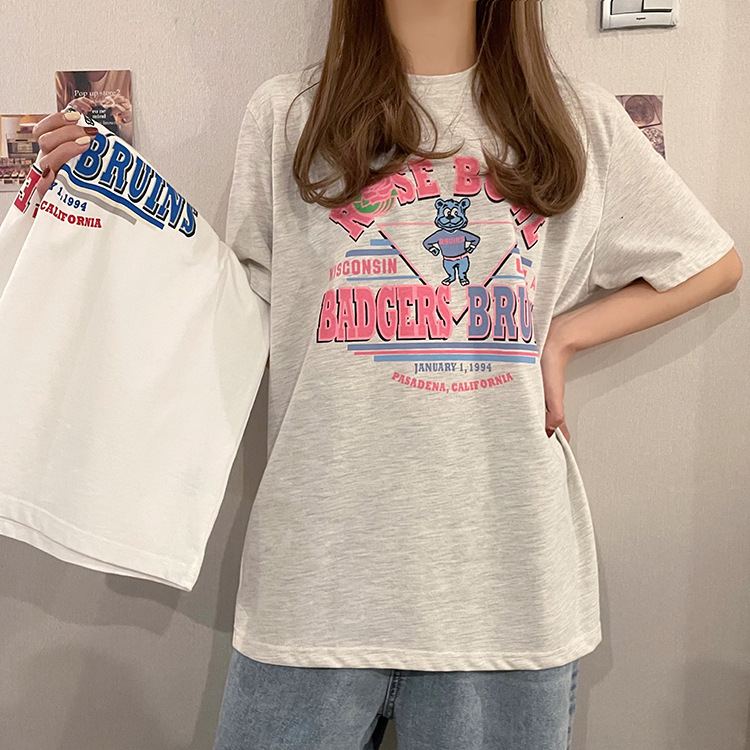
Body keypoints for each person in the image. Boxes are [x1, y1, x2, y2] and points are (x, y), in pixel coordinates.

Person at [30, 1, 742, 748]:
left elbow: (709, 263)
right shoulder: (290, 114)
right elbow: (237, 312)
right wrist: (112, 195)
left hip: (503, 587)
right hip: (317, 581)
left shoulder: (575, 120)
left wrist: (565, 335)